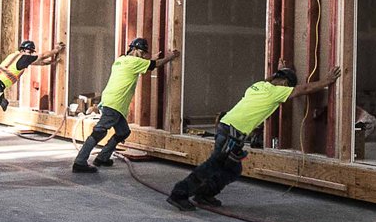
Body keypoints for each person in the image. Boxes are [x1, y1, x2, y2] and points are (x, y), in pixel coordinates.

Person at [167, 65, 342, 210]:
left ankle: (204, 194)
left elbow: (270, 80)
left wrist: (280, 69)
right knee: (212, 166)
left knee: (232, 170)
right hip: (232, 133)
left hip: (228, 129)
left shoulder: (257, 86)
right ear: (285, 83)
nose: (287, 90)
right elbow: (303, 89)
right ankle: (179, 194)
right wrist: (327, 81)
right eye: (287, 85)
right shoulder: (276, 91)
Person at [72, 38, 180, 172]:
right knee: (99, 132)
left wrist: (150, 59)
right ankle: (80, 162)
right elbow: (154, 65)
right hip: (115, 103)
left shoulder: (121, 60)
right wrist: (170, 57)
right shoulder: (135, 62)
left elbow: (142, 63)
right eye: (142, 52)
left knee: (123, 132)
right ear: (134, 49)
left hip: (112, 102)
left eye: (144, 54)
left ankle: (102, 158)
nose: (143, 55)